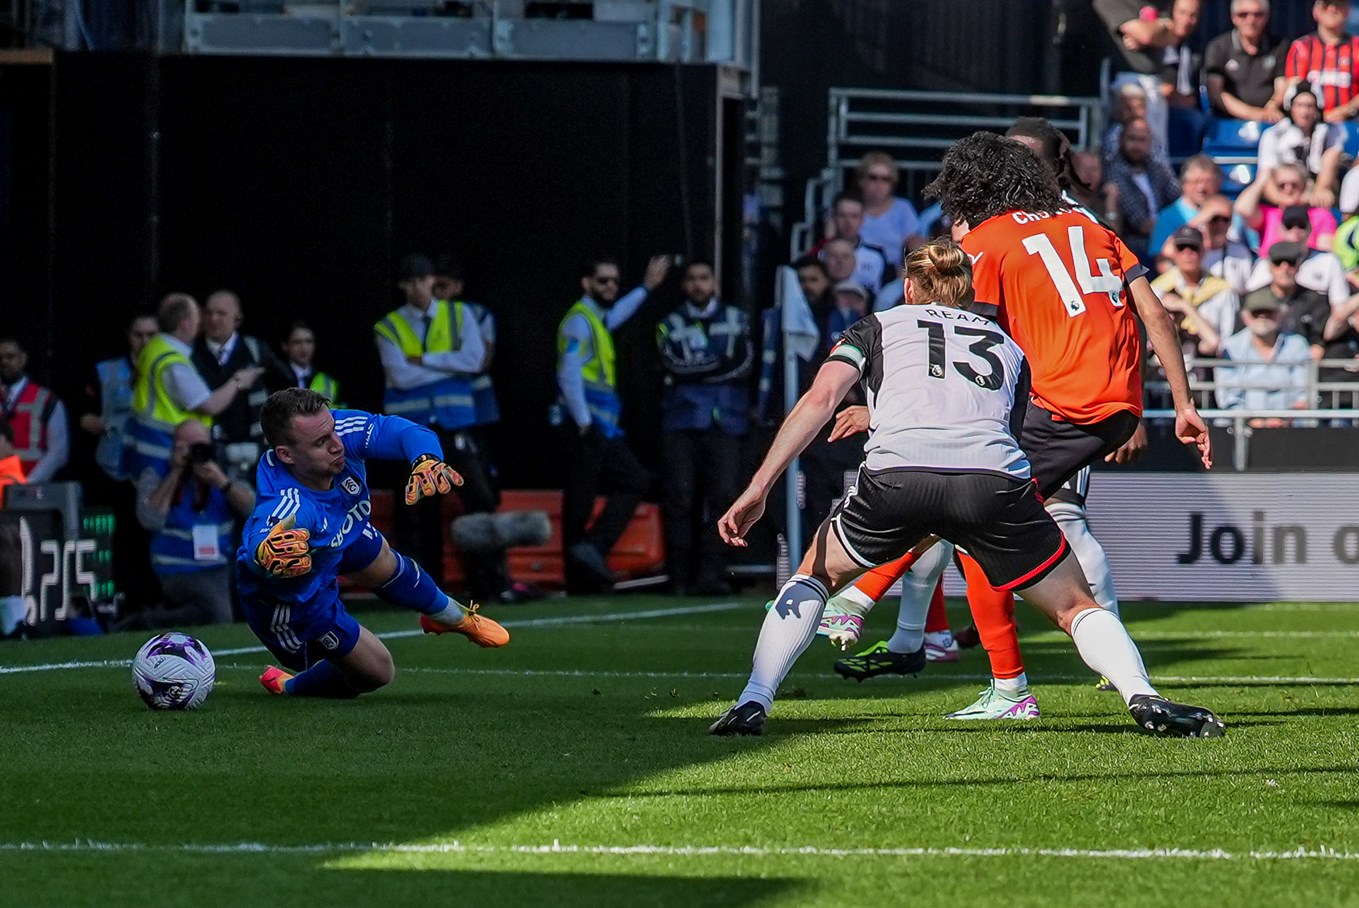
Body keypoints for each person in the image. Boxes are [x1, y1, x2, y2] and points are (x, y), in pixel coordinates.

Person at [709, 239, 1224, 740]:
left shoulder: (875, 326)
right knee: (1075, 606)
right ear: (967, 290)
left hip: (899, 478)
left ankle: (754, 698)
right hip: (991, 481)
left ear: (909, 287)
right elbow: (1007, 425)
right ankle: (1141, 693)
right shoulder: (1008, 345)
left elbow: (821, 400)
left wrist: (759, 485)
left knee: (815, 575)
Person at [811, 132, 1211, 719]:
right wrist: (1181, 404)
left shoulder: (991, 241)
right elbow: (1155, 313)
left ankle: (875, 604)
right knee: (983, 515)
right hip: (1116, 404)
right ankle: (1001, 680)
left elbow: (962, 349)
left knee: (965, 498)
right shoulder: (1095, 227)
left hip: (1056, 403)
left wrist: (880, 409)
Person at [241, 388, 509, 698]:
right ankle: (290, 685)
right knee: (378, 671)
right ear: (286, 454)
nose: (337, 445)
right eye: (321, 442)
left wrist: (426, 459)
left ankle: (449, 615)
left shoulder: (334, 431)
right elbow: (262, 538)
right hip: (295, 600)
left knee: (376, 551)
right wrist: (264, 554)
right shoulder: (292, 504)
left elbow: (404, 431)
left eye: (332, 430)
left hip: (336, 539)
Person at [374, 253, 511, 603]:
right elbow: (400, 377)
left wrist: (425, 361)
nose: (418, 287)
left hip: (455, 424)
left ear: (432, 280)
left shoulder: (460, 314)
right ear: (403, 286)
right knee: (417, 510)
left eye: (423, 279)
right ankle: (418, 591)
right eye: (411, 281)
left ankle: (492, 583)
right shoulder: (388, 326)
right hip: (410, 432)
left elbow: (474, 361)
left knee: (479, 498)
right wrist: (449, 365)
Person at [554, 254, 668, 591]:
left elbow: (618, 313)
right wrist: (584, 420)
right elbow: (568, 374)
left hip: (600, 424)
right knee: (581, 497)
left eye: (614, 282)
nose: (610, 287)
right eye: (603, 281)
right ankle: (579, 572)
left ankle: (590, 553)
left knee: (624, 482)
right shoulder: (579, 320)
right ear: (586, 283)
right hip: (587, 425)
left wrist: (646, 288)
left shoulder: (596, 318)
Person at [655, 259, 752, 595]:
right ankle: (678, 578)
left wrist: (696, 369)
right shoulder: (669, 323)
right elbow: (671, 365)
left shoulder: (737, 319)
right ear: (684, 285)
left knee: (724, 496)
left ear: (714, 282)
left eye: (704, 278)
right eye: (692, 279)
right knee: (680, 498)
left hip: (726, 420)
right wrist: (715, 365)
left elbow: (742, 366)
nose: (698, 285)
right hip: (681, 420)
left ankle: (712, 575)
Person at [131, 418, 256, 628]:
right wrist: (175, 472)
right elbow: (149, 518)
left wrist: (221, 482)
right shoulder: (156, 473)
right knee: (219, 615)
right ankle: (148, 621)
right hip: (177, 567)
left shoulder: (222, 471)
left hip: (220, 565)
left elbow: (254, 509)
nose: (194, 454)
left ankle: (158, 617)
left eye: (200, 446)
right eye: (187, 447)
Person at [126, 293, 263, 475]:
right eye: (198, 317)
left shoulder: (154, 346)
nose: (201, 323)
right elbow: (210, 406)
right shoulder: (173, 362)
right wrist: (238, 381)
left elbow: (133, 382)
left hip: (145, 449)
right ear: (185, 324)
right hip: (164, 453)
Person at [192, 289, 291, 479]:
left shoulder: (255, 350)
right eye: (209, 313)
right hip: (208, 452)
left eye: (221, 313)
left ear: (237, 319)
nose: (213, 319)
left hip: (251, 455)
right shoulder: (192, 353)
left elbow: (286, 382)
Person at [80, 314, 158, 482]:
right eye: (138, 335)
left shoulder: (176, 370)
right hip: (113, 465)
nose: (145, 342)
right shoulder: (105, 370)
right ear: (128, 335)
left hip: (158, 465)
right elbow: (83, 409)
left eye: (151, 335)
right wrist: (87, 419)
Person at [1216, 296, 1314, 425]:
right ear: (1246, 317)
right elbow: (1228, 398)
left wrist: (1283, 419)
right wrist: (1254, 421)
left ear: (1280, 315)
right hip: (1240, 428)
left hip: (1290, 428)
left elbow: (1304, 393)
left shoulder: (1297, 344)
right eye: (1256, 313)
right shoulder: (1231, 347)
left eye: (1269, 313)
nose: (1262, 318)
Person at [1150, 226, 1239, 359]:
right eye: (1181, 247)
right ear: (1174, 252)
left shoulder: (1222, 290)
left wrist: (1185, 307)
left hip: (1208, 364)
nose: (1188, 253)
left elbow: (1224, 340)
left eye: (1193, 248)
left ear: (1203, 251)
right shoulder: (1157, 289)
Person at [1255, 82, 1345, 206]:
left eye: (1309, 106)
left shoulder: (1330, 132)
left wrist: (1319, 191)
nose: (1304, 111)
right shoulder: (1273, 134)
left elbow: (1331, 159)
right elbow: (1266, 176)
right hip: (1283, 191)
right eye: (1299, 105)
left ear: (1317, 108)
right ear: (1290, 107)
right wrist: (1284, 201)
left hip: (1313, 189)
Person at [1106, 117, 1181, 261]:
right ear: (1121, 140)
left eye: (1142, 140)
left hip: (1165, 240)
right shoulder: (1114, 170)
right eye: (1132, 139)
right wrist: (1175, 228)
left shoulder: (1156, 168)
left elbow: (1179, 197)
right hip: (1135, 247)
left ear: (1150, 142)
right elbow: (1141, 224)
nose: (1136, 145)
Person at [1244, 206, 1350, 306]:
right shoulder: (1267, 262)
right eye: (1289, 226)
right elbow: (1252, 302)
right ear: (1280, 229)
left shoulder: (1329, 261)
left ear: (1310, 229)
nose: (1295, 232)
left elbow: (1340, 306)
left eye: (1301, 226)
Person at [1241, 242, 1333, 355]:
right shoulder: (1254, 299)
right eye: (1278, 263)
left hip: (1302, 362)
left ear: (1299, 267)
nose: (1284, 269)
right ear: (1269, 267)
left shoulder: (1315, 300)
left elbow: (1318, 344)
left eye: (1291, 263)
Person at [1203, 0, 1287, 122]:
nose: (1251, 20)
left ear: (1267, 16)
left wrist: (1271, 107)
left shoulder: (1279, 46)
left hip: (1270, 120)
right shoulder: (1218, 47)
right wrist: (1253, 114)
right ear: (1233, 17)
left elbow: (1282, 86)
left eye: (1257, 14)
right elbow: (1216, 92)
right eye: (1243, 15)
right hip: (1228, 122)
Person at [0, 337, 69, 484]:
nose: (4, 362)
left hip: (32, 487)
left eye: (10, 356)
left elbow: (59, 452)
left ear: (23, 359)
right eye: (0, 358)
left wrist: (29, 483)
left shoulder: (46, 400)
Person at [1235, 163, 1339, 254]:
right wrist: (1262, 180)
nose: (1288, 189)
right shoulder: (1269, 215)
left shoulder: (1320, 215)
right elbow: (1242, 209)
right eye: (1282, 185)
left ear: (1304, 186)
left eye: (1294, 185)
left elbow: (1324, 252)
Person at [1285, 0, 1359, 123]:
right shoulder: (1302, 47)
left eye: (1338, 5)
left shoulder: (1356, 47)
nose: (1332, 9)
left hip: (1351, 125)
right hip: (1310, 126)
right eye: (1326, 5)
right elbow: (1295, 89)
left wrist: (1345, 111)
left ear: (1348, 10)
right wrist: (1316, 115)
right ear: (1315, 11)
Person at [812, 192, 894, 293]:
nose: (848, 222)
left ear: (862, 219)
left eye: (854, 216)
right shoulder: (819, 253)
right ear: (833, 217)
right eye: (842, 216)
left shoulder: (877, 256)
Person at [855, 151, 925, 268]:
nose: (879, 184)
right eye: (873, 178)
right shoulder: (849, 208)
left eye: (885, 179)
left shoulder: (903, 208)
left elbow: (914, 244)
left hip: (895, 274)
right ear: (862, 180)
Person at [281, 320, 339, 403]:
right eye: (297, 342)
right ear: (285, 346)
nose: (303, 348)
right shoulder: (276, 376)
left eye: (308, 341)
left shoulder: (327, 380)